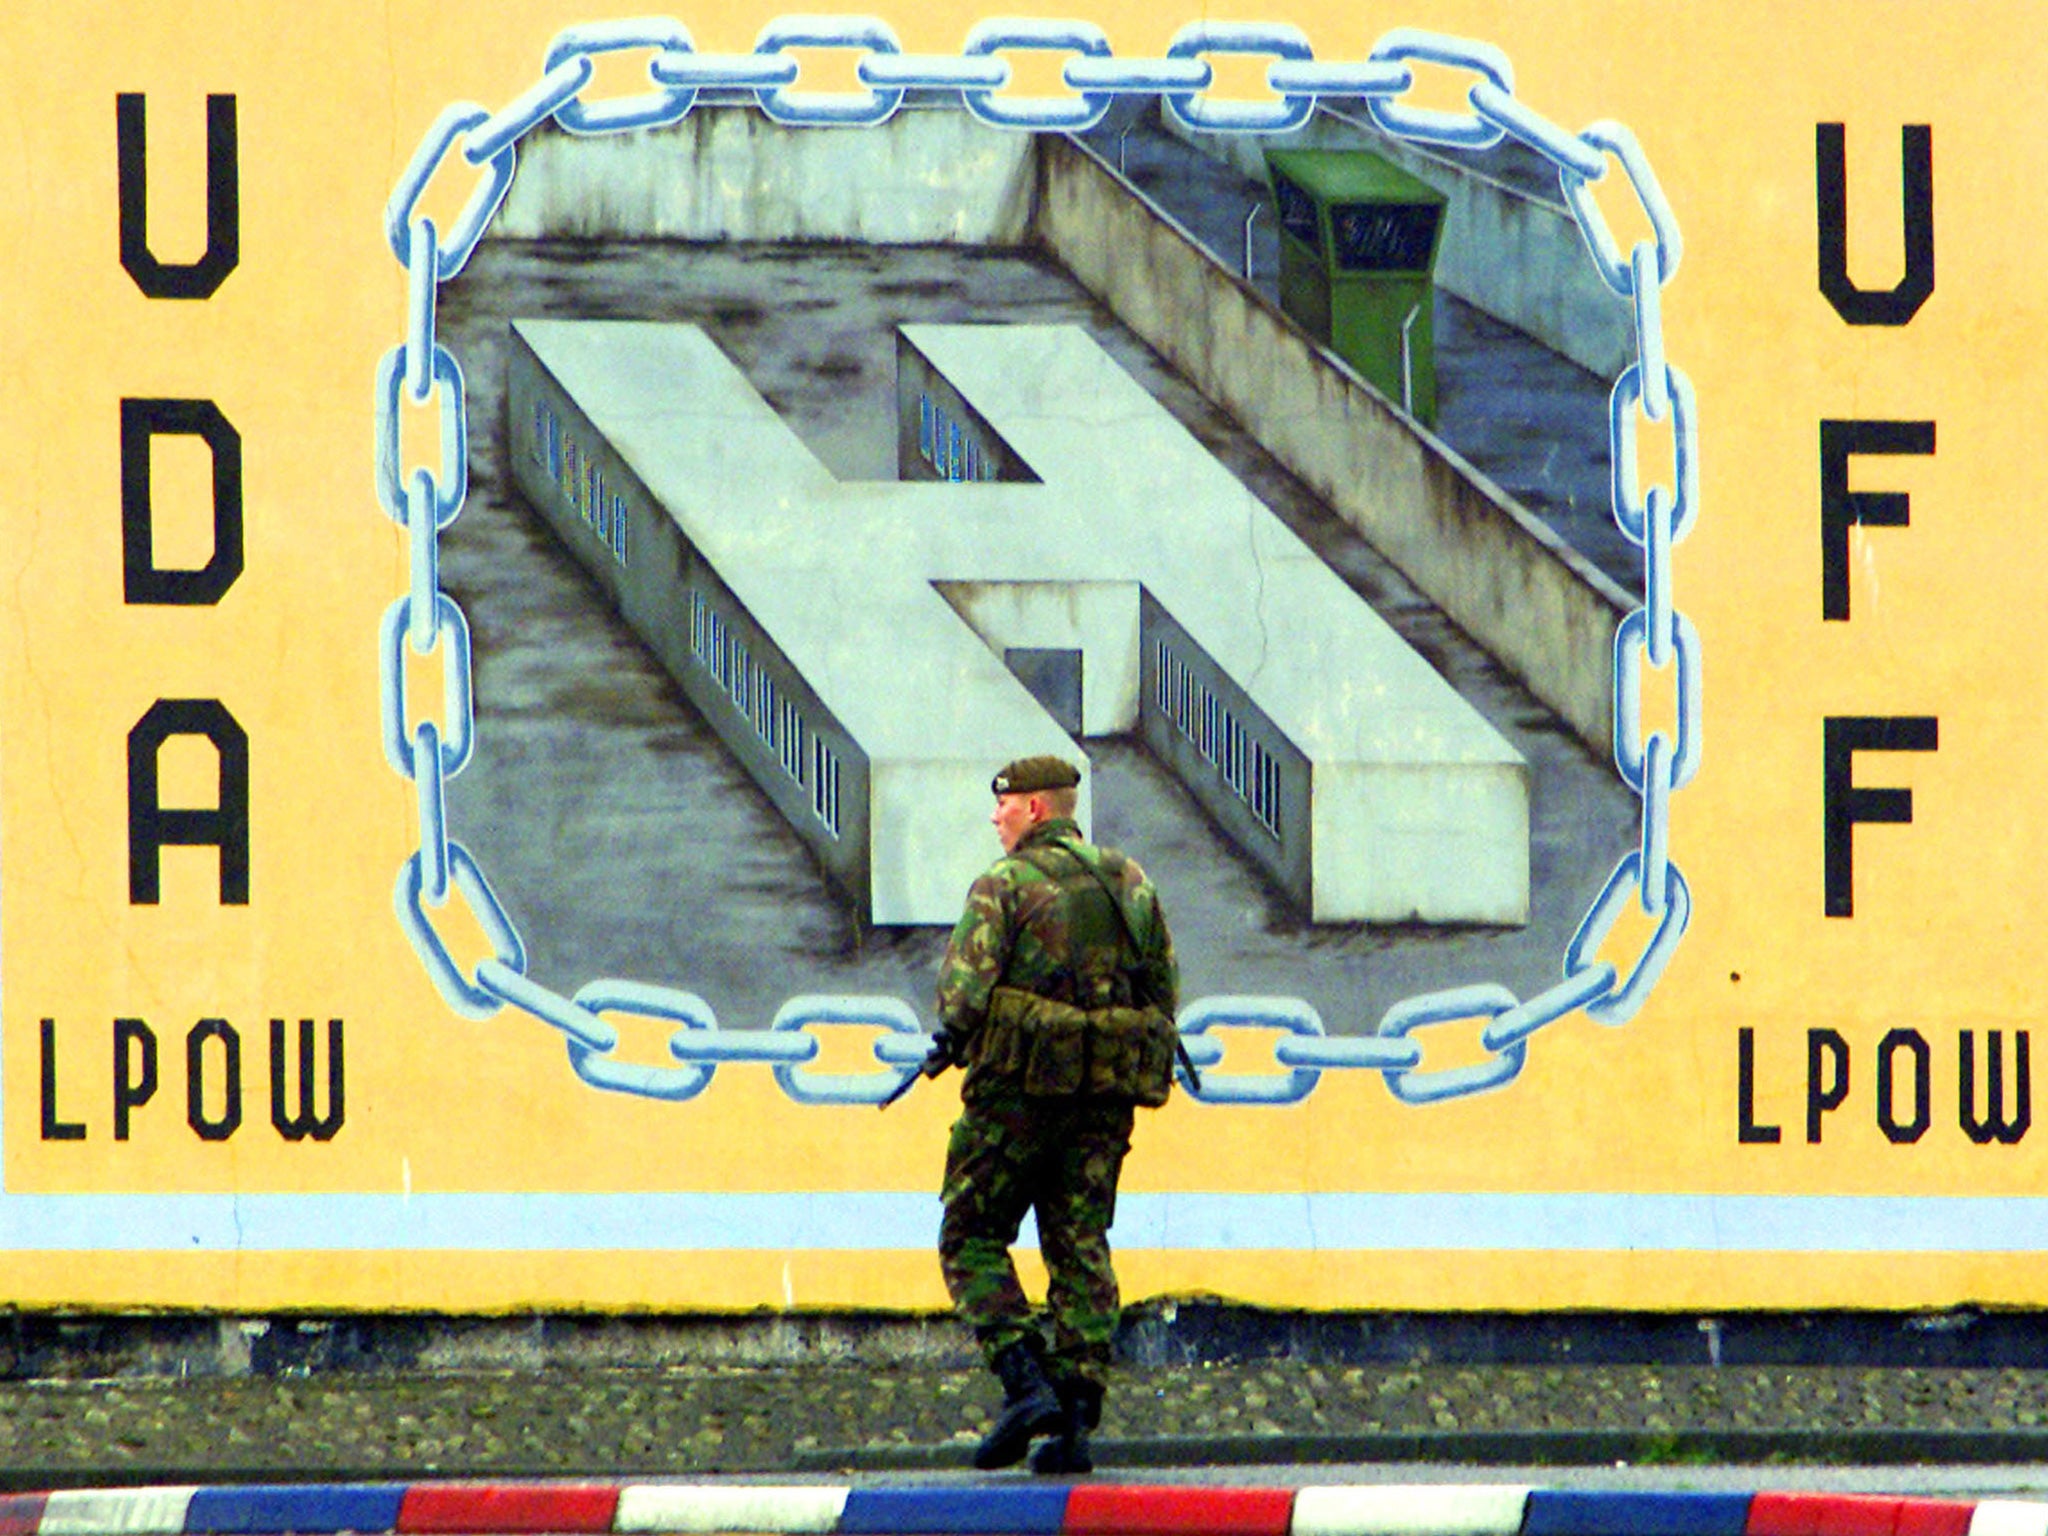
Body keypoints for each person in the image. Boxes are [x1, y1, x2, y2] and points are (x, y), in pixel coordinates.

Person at [932, 754, 1179, 1474]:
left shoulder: (1003, 886)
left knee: (970, 1232)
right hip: (1103, 1100)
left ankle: (1023, 1378)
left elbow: (964, 995)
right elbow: (1163, 987)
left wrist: (953, 1039)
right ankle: (1074, 1420)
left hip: (1018, 1098)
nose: (995, 818)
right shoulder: (1130, 882)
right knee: (1079, 1240)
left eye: (1003, 806)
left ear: (1035, 809)